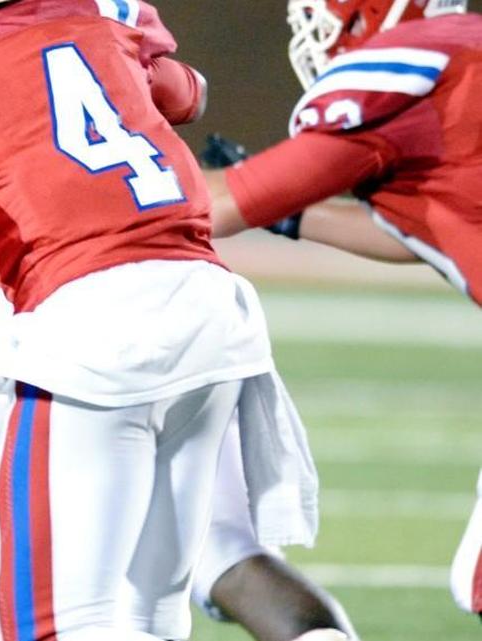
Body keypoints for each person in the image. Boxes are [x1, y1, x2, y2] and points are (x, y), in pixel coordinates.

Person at [0, 0, 321, 639]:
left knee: (55, 624)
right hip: (212, 308)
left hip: (83, 320)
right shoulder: (94, 15)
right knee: (149, 615)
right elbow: (187, 92)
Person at [201, 0, 482, 620]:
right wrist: (293, 214)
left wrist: (102, 187)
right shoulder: (465, 56)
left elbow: (215, 209)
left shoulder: (406, 64)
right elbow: (432, 228)